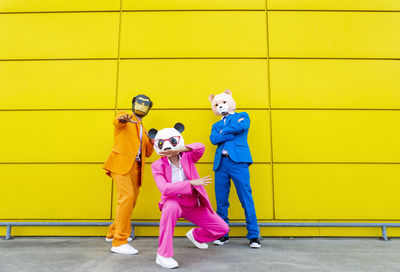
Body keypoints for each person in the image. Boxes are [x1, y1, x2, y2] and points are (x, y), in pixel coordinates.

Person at [149, 123, 229, 269]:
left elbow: (200, 147)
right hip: (173, 202)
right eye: (162, 143)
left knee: (222, 229)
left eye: (171, 142)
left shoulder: (188, 156)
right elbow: (165, 189)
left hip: (192, 203)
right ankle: (163, 255)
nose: (167, 147)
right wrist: (191, 183)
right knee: (170, 208)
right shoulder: (156, 165)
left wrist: (180, 148)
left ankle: (196, 236)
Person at [103, 94, 154, 254]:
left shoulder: (144, 129)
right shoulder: (124, 117)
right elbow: (117, 121)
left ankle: (112, 233)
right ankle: (119, 241)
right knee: (126, 198)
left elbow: (148, 153)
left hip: (137, 168)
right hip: (121, 164)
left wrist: (153, 141)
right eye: (140, 103)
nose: (142, 106)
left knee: (130, 203)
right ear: (133, 104)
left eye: (146, 104)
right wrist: (124, 119)